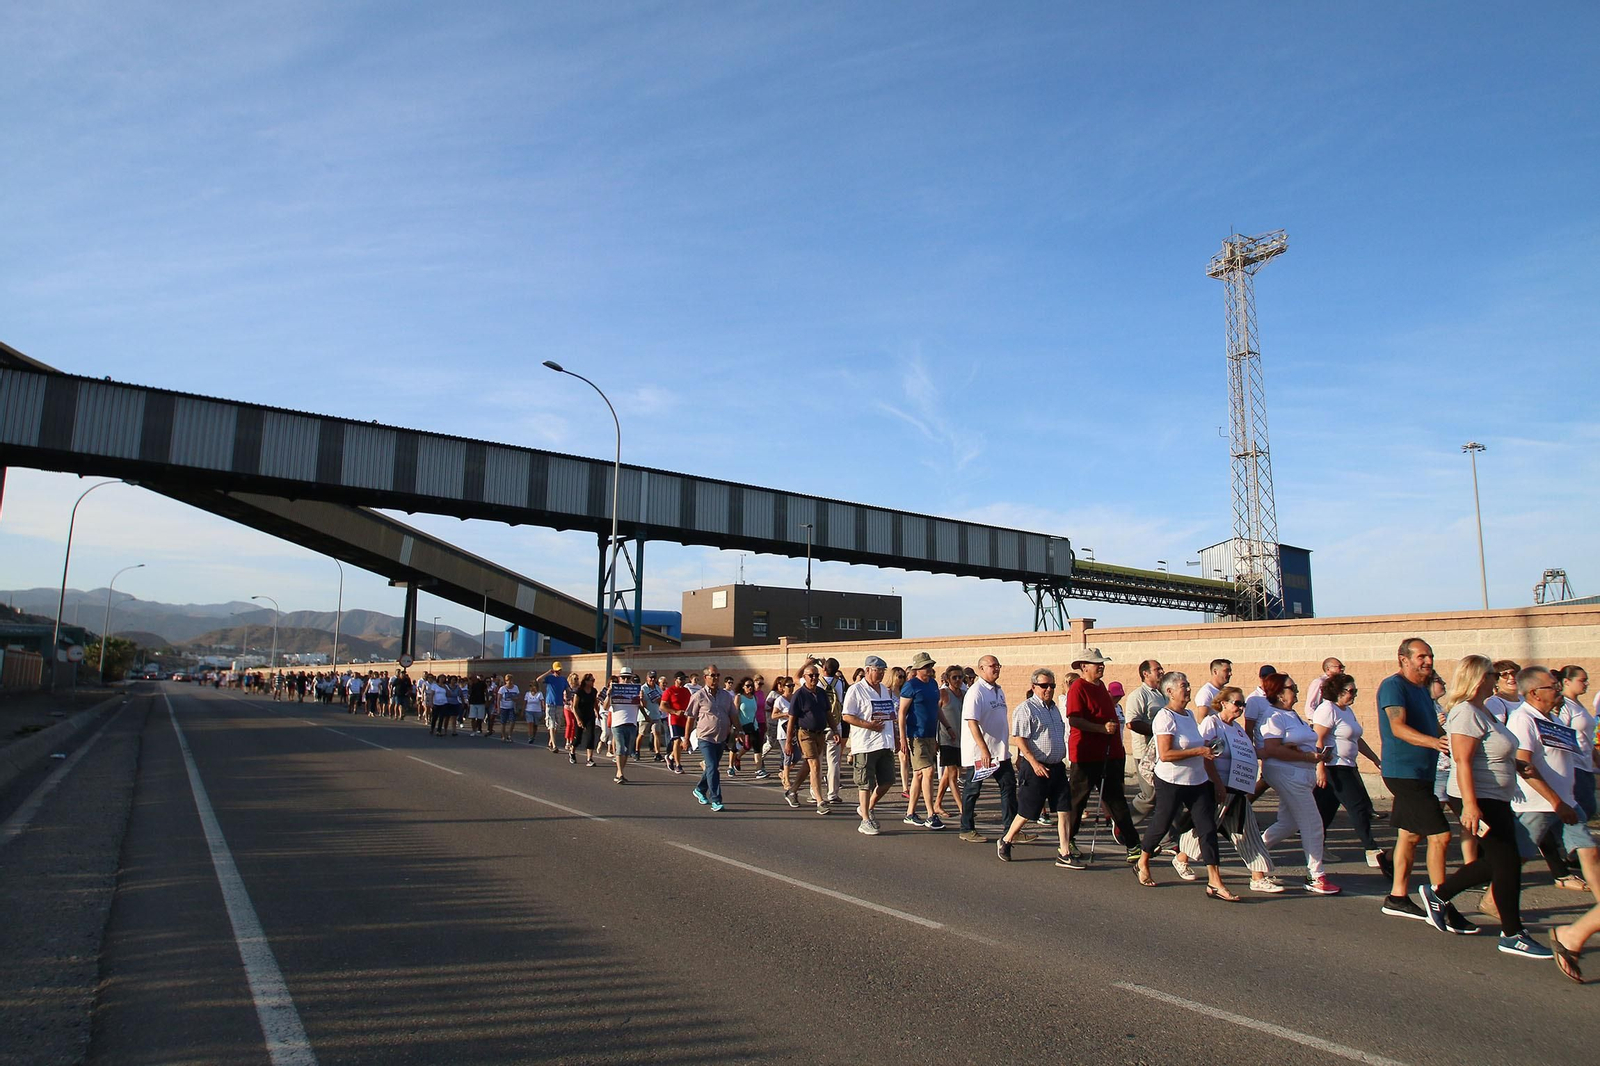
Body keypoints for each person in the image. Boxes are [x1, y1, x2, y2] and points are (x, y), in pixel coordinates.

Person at [1418, 655, 1545, 952]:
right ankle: (1512, 934)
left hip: (1496, 797)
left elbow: (1492, 752)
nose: (1497, 679)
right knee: (1507, 861)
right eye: (1492, 674)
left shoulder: (1483, 711)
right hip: (1477, 797)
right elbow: (1462, 761)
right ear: (1479, 678)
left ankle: (1439, 894)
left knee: (1499, 860)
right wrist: (1471, 806)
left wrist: (1516, 766)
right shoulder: (1464, 712)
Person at [1135, 672, 1237, 900]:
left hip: (1197, 780)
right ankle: (1142, 861)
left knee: (1207, 828)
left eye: (1189, 685)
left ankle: (1214, 881)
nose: (1189, 689)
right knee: (1161, 824)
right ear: (1169, 691)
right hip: (1171, 780)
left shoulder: (1189, 715)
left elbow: (1195, 743)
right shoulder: (1164, 717)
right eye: (1184, 686)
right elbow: (1167, 754)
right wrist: (1199, 751)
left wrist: (1207, 748)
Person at [1172, 686, 1282, 893]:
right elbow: (1206, 756)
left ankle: (1258, 877)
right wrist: (1217, 784)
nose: (1240, 708)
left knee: (1247, 830)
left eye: (1243, 704)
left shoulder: (1238, 729)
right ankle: (1181, 857)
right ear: (1223, 703)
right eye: (1237, 703)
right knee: (1206, 828)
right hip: (1216, 787)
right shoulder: (1211, 724)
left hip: (1236, 789)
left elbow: (1247, 755)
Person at [1378, 638, 1453, 921]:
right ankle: (1441, 899)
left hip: (1423, 772)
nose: (1428, 662)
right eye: (1422, 656)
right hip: (1403, 772)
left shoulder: (1423, 690)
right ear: (1404, 659)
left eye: (1430, 656)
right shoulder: (1393, 686)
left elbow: (1433, 726)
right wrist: (1434, 743)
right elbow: (1398, 727)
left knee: (1410, 835)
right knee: (1441, 835)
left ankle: (1397, 896)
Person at [1508, 666, 1600, 898]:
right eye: (1552, 686)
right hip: (1538, 805)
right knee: (1518, 857)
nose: (1558, 689)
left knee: (1590, 852)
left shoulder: (1553, 718)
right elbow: (1523, 766)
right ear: (1534, 693)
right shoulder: (1523, 719)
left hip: (1566, 802)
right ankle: (1492, 900)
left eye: (1557, 684)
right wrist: (1556, 801)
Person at [1258, 673, 1341, 894]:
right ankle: (1316, 875)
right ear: (1279, 693)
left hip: (1302, 774)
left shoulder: (1292, 715)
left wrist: (1317, 755)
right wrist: (1305, 757)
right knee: (1313, 823)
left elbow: (1301, 743)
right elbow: (1273, 748)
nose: (1296, 691)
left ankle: (1253, 851)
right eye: (1292, 687)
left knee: (1288, 824)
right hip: (1286, 773)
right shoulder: (1273, 716)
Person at [1310, 671, 1391, 877]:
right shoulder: (1327, 710)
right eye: (1350, 691)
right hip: (1333, 768)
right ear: (1337, 691)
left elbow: (1357, 739)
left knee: (1324, 813)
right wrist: (1319, 768)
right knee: (1358, 806)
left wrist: (1375, 759)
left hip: (1348, 766)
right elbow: (1318, 740)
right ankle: (1371, 849)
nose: (1354, 695)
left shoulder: (1346, 711)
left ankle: (1317, 848)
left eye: (1355, 691)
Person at [1065, 648, 1138, 864]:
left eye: (1102, 663)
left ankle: (1133, 843)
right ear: (1083, 666)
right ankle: (1068, 839)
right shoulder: (1078, 687)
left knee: (1116, 800)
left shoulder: (1102, 686)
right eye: (1097, 663)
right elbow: (1075, 720)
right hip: (1086, 754)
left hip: (1110, 753)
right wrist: (1100, 729)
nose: (1102, 666)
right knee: (1078, 800)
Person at [996, 669, 1074, 865]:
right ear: (1034, 687)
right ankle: (1006, 840)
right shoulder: (1026, 709)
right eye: (1044, 686)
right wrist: (1033, 762)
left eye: (1052, 686)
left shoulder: (1055, 709)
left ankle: (1064, 852)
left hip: (1056, 766)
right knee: (1027, 811)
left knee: (1064, 808)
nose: (1049, 689)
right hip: (1036, 767)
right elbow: (1019, 739)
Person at [959, 655, 1017, 844]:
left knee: (1008, 787)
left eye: (998, 665)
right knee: (973, 790)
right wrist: (984, 750)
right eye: (992, 666)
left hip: (1000, 752)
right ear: (981, 669)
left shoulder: (998, 691)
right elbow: (972, 723)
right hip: (981, 753)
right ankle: (966, 828)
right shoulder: (976, 692)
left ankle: (1011, 830)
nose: (996, 669)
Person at [842, 656, 898, 836]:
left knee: (888, 780)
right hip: (865, 743)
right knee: (866, 782)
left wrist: (896, 737)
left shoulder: (884, 689)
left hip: (885, 742)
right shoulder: (856, 690)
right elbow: (847, 715)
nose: (881, 674)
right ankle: (865, 819)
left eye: (883, 670)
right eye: (877, 670)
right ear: (867, 670)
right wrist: (868, 725)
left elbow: (891, 715)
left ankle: (867, 807)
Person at [898, 652, 944, 829]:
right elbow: (902, 713)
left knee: (919, 773)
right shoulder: (910, 686)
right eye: (926, 666)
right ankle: (931, 814)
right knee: (928, 771)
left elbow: (936, 708)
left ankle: (910, 813)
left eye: (930, 666)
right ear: (917, 669)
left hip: (930, 734)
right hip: (915, 735)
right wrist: (902, 737)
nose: (929, 669)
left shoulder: (933, 684)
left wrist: (946, 727)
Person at [784, 668, 834, 813]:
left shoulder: (821, 693)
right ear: (804, 677)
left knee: (809, 764)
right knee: (815, 764)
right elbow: (792, 719)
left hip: (820, 734)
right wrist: (788, 741)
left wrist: (835, 730)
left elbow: (828, 712)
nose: (814, 678)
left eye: (816, 675)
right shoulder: (799, 695)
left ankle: (792, 791)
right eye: (811, 675)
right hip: (805, 733)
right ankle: (820, 801)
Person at [689, 665, 737, 811]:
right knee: (712, 767)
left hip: (721, 738)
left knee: (712, 767)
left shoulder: (726, 696)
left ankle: (700, 789)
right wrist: (685, 739)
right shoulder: (699, 696)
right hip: (705, 737)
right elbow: (690, 718)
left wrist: (740, 731)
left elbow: (733, 715)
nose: (716, 678)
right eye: (713, 675)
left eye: (717, 675)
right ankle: (716, 799)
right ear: (705, 677)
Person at [1125, 659, 1166, 817]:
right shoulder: (1139, 695)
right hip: (1145, 753)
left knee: (1165, 795)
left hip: (1162, 752)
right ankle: (1125, 820)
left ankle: (1170, 837)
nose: (1161, 672)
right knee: (1150, 796)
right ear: (1145, 673)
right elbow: (1132, 723)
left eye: (1161, 668)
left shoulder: (1163, 695)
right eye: (1157, 669)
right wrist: (1158, 731)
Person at [1556, 665, 1596, 827]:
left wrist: (1596, 757)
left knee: (1588, 807)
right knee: (1585, 806)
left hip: (1586, 764)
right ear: (1567, 681)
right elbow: (1561, 733)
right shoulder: (1564, 705)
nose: (1586, 684)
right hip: (1574, 764)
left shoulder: (1578, 704)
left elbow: (1587, 736)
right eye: (1582, 680)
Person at [933, 666, 965, 821]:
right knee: (952, 774)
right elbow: (935, 716)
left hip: (961, 739)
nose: (958, 680)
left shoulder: (965, 695)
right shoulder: (943, 694)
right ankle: (963, 809)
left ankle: (937, 804)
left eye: (960, 677)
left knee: (948, 773)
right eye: (955, 678)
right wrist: (935, 739)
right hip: (946, 738)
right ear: (947, 678)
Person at [605, 669, 644, 783]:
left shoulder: (635, 690)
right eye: (623, 677)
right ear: (620, 678)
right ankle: (620, 772)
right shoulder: (614, 690)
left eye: (628, 677)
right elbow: (606, 706)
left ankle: (620, 772)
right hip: (617, 723)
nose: (626, 680)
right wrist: (609, 695)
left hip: (631, 723)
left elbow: (642, 706)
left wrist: (641, 698)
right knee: (620, 748)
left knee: (627, 750)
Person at [661, 671, 692, 774]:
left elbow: (690, 704)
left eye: (684, 679)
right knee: (677, 740)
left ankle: (670, 757)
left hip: (685, 720)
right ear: (675, 680)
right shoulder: (670, 691)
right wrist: (675, 712)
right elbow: (662, 706)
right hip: (674, 719)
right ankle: (678, 765)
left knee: (684, 743)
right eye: (680, 679)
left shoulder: (687, 691)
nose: (682, 681)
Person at [571, 674, 600, 767]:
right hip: (580, 715)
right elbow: (574, 707)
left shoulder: (594, 691)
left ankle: (589, 759)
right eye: (592, 680)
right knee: (578, 738)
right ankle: (572, 752)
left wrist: (597, 713)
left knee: (591, 736)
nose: (593, 682)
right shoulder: (579, 691)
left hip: (590, 716)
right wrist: (578, 719)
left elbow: (595, 703)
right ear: (586, 681)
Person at [496, 674, 521, 742]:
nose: (509, 682)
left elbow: (518, 697)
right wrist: (498, 708)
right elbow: (498, 699)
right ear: (505, 681)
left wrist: (514, 699)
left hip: (512, 707)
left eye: (510, 680)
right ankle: (503, 736)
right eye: (507, 680)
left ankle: (509, 735)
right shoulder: (502, 689)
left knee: (512, 721)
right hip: (503, 707)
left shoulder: (515, 687)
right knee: (503, 722)